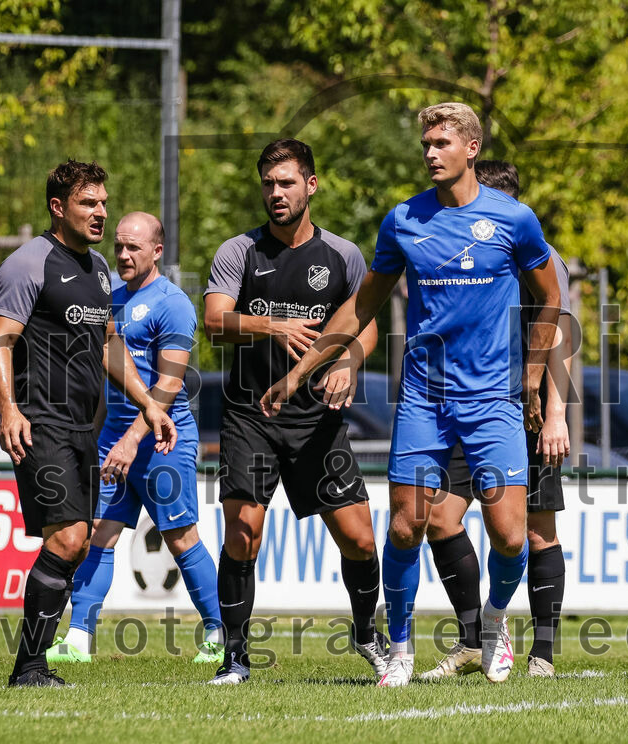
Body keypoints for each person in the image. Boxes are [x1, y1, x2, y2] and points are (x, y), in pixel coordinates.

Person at [261, 103, 562, 687]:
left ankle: (493, 627)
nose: (430, 153)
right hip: (424, 398)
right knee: (405, 527)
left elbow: (550, 296)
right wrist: (302, 372)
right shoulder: (402, 220)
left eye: (442, 143)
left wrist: (533, 371)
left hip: (492, 400)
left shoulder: (514, 219)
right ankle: (400, 649)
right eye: (425, 143)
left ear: (470, 148)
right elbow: (363, 304)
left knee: (510, 535)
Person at [0, 160, 177, 687]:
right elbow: (0, 341)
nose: (100, 211)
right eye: (87, 203)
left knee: (76, 539)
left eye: (102, 201)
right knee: (71, 538)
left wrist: (148, 403)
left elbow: (109, 347)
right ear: (58, 207)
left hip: (81, 428)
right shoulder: (29, 264)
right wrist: (8, 409)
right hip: (39, 421)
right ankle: (28, 667)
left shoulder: (97, 269)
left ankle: (33, 665)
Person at [203, 139, 385, 685]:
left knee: (359, 539)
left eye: (286, 182)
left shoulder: (342, 257)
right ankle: (234, 657)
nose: (276, 193)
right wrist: (273, 325)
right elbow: (214, 320)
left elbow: (366, 323)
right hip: (249, 414)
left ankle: (365, 635)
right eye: (268, 184)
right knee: (243, 533)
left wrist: (349, 362)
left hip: (314, 423)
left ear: (311, 185)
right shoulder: (240, 251)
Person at [419, 160, 574, 681]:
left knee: (535, 532)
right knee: (440, 517)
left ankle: (544, 655)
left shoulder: (541, 257)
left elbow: (559, 338)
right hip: (467, 405)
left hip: (526, 414)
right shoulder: (458, 252)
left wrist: (556, 413)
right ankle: (478, 638)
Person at [46, 211, 224, 665]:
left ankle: (219, 633)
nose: (123, 255)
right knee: (96, 535)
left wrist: (130, 441)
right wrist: (101, 435)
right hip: (113, 439)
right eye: (119, 246)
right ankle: (79, 638)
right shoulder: (108, 301)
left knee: (180, 536)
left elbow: (167, 385)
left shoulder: (174, 304)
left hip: (165, 440)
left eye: (133, 248)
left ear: (157, 251)